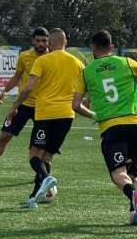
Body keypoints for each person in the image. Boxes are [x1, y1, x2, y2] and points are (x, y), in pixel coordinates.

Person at [73, 30, 137, 226]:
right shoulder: (125, 62)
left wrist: (94, 115)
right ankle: (136, 211)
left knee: (118, 173)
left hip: (111, 126)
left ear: (93, 48)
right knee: (133, 173)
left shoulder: (86, 72)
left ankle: (133, 196)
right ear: (111, 47)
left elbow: (76, 105)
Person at [6, 28, 84, 208]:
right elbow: (84, 90)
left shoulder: (42, 60)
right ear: (66, 42)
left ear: (50, 42)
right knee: (46, 157)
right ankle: (34, 197)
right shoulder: (77, 63)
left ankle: (47, 178)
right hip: (67, 115)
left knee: (34, 156)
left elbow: (27, 88)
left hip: (46, 114)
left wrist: (14, 106)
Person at [0, 27, 49, 183]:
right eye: (38, 40)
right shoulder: (25, 56)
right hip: (23, 105)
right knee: (4, 136)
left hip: (44, 108)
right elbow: (17, 76)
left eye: (44, 40)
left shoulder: (52, 57)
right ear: (32, 41)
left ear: (49, 41)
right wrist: (4, 91)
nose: (41, 43)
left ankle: (42, 174)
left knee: (41, 143)